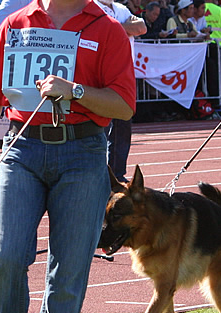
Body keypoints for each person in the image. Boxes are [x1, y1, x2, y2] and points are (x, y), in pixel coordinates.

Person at [0, 0, 135, 313]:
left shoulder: (107, 28)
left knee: (69, 270)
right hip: (21, 147)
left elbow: (124, 104)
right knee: (5, 255)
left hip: (84, 153)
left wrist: (73, 91)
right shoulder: (15, 24)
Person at [95, 0, 145, 183]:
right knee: (101, 124)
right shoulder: (89, 6)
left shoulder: (120, 8)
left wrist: (114, 27)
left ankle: (117, 173)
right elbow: (99, 32)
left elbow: (141, 27)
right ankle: (98, 171)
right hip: (101, 72)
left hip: (125, 72)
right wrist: (124, 28)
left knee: (123, 125)